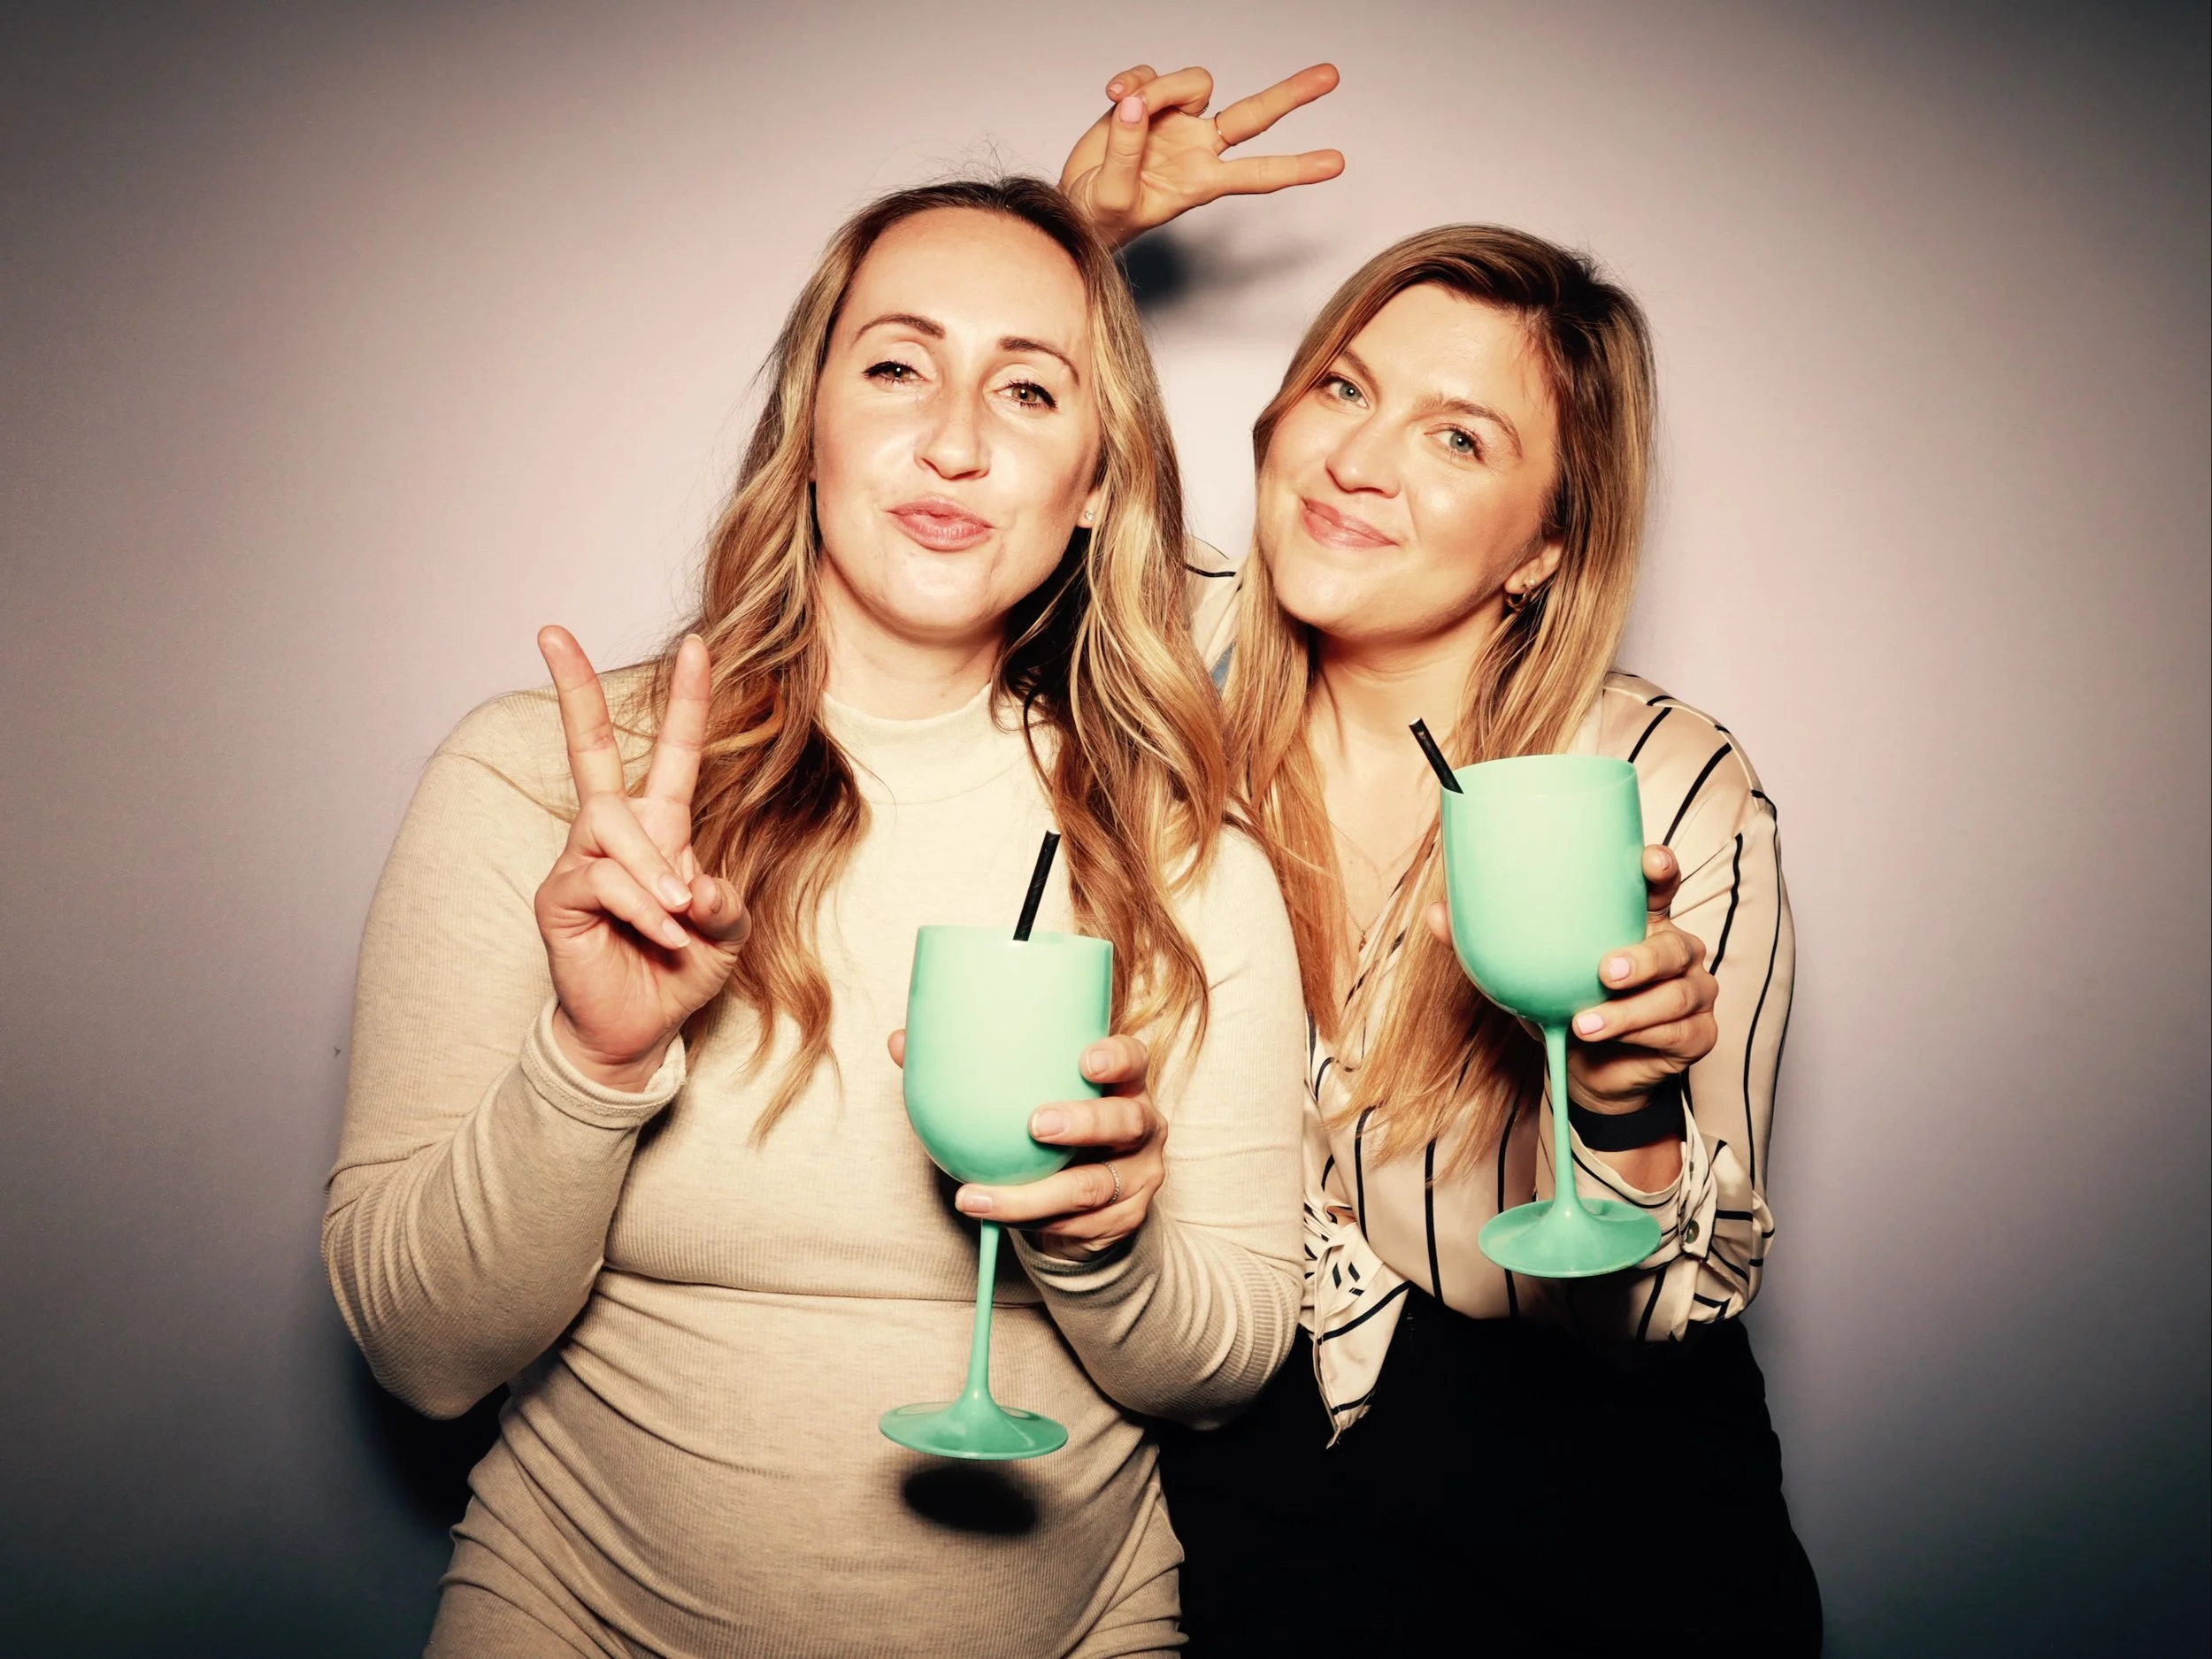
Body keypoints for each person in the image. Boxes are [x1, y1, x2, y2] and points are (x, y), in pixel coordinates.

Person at [322, 176, 1312, 1657]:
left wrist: (1107, 1241)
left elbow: (1225, 1371)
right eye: (898, 365)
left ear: (1101, 480)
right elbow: (420, 1358)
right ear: (810, 425)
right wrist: (589, 1067)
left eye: (1030, 391)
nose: (958, 441)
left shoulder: (1187, 860)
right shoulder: (542, 787)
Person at [1059, 66, 1823, 1655]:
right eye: (1344, 388)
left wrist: (1621, 1105)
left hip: (1600, 1525)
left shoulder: (1666, 787)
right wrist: (1077, 242)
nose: (1359, 460)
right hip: (1249, 1504)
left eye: (1458, 436)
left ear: (1547, 540)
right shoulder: (1163, 667)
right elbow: (967, 495)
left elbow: (1673, 1311)